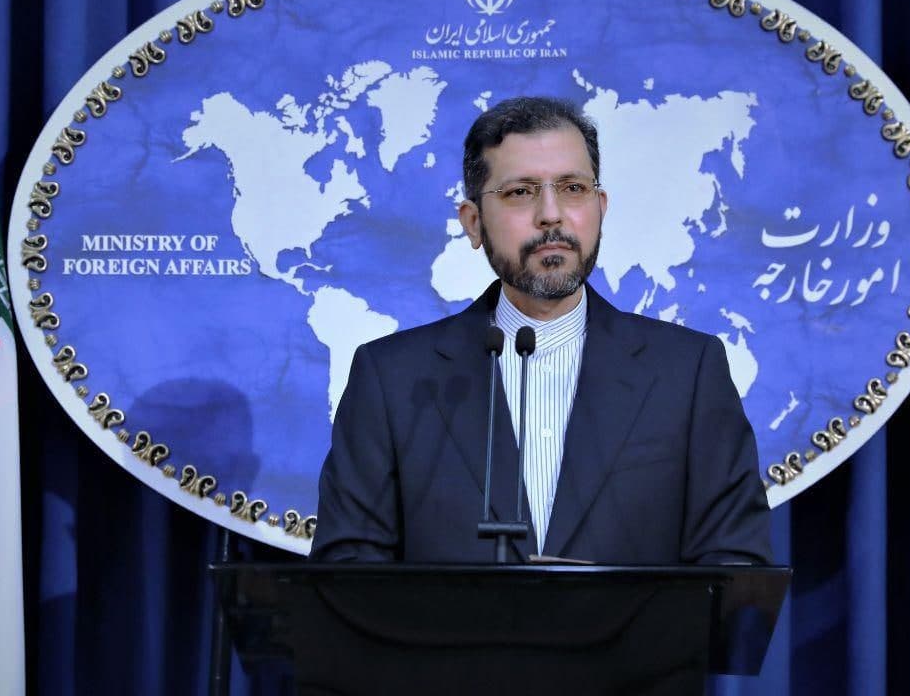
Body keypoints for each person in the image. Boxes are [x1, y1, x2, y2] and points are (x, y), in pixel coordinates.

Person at [310, 96, 771, 565]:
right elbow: (348, 574)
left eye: (573, 188)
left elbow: (735, 570)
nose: (551, 214)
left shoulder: (687, 374)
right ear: (473, 222)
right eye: (520, 192)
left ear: (600, 208)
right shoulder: (393, 380)